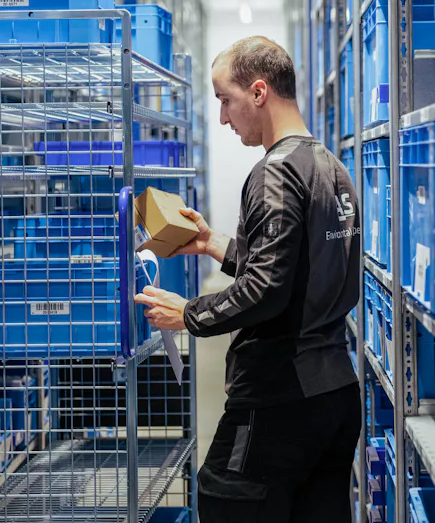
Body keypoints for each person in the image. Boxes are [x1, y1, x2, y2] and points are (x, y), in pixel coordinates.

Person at [134, 36, 361, 522]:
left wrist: (188, 314)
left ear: (259, 92)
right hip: (336, 395)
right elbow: (301, 268)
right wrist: (216, 243)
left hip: (280, 401)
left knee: (223, 501)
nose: (222, 118)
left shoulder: (274, 174)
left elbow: (267, 289)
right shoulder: (332, 168)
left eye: (225, 100)